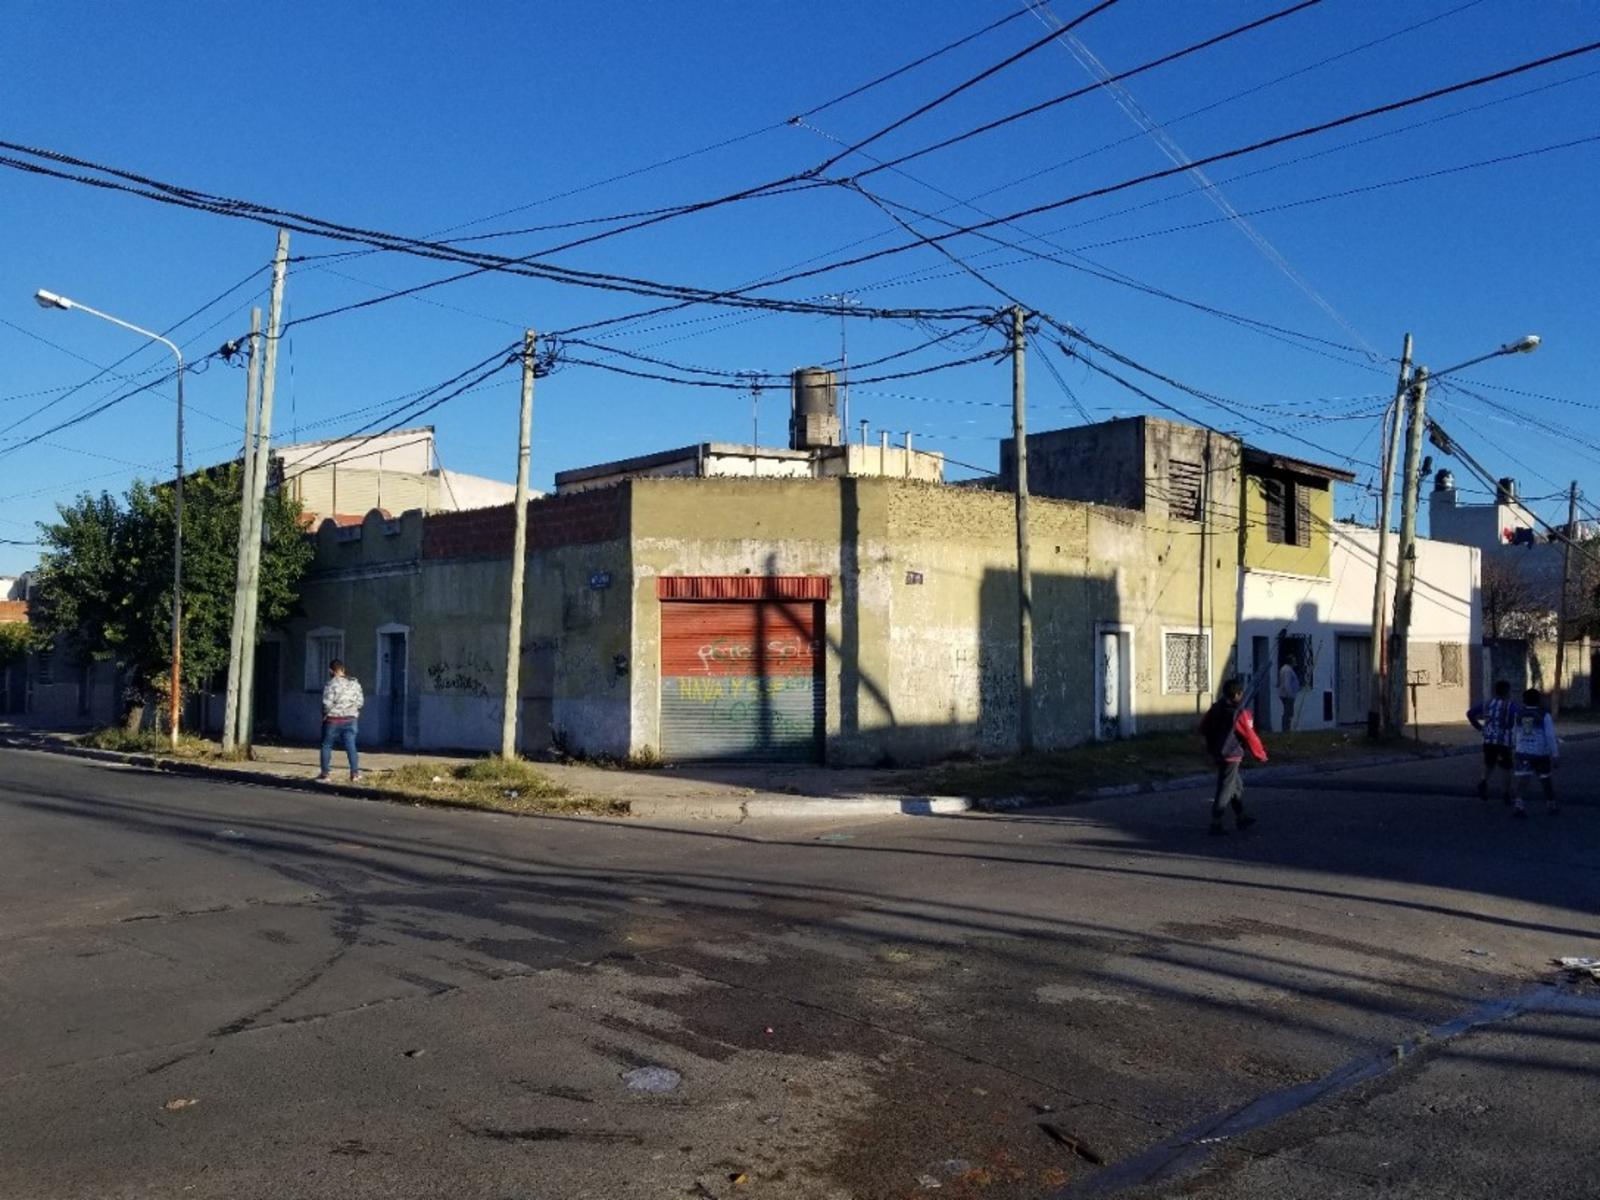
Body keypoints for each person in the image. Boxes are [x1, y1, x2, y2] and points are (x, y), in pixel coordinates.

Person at [1200, 677, 1268, 835]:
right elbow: (1250, 736)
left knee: (1236, 786)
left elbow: (1203, 726)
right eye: (1241, 693)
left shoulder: (1216, 707)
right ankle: (1216, 822)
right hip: (1231, 753)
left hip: (1217, 750)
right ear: (1238, 694)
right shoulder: (1240, 713)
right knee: (1225, 787)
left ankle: (1241, 816)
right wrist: (1260, 754)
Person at [1510, 686, 1559, 818]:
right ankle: (1551, 804)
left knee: (1522, 780)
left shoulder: (1519, 714)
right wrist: (1555, 754)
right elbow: (1550, 736)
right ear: (1538, 700)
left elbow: (1515, 732)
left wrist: (1514, 746)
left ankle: (1519, 805)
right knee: (1545, 779)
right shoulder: (1544, 715)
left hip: (1523, 752)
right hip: (1540, 753)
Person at [1467, 680, 1517, 805]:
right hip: (1503, 740)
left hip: (1488, 738)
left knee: (1489, 763)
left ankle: (1483, 781)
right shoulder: (1510, 706)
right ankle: (1506, 794)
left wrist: (1479, 727)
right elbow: (1518, 718)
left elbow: (1470, 713)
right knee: (1506, 767)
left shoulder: (1487, 703)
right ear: (1507, 692)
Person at [316, 659, 365, 783]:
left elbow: (326, 704)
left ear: (330, 671)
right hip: (350, 719)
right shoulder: (355, 683)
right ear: (343, 669)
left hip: (333, 719)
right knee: (351, 746)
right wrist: (355, 713)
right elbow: (360, 702)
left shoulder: (331, 684)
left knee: (326, 745)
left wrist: (324, 715)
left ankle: (325, 774)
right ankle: (355, 774)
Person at [1277, 656, 1301, 732]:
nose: (1295, 662)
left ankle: (1286, 728)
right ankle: (1286, 729)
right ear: (1291, 662)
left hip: (1285, 694)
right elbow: (1287, 683)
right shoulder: (1288, 670)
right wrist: (1290, 694)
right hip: (1287, 695)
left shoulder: (1285, 669)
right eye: (1294, 661)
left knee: (1288, 712)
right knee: (1288, 712)